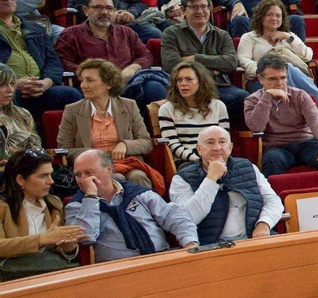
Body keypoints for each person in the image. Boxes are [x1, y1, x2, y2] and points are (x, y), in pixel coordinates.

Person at [65, 148, 197, 260]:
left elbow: (172, 215)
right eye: (78, 174)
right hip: (116, 270)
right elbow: (85, 237)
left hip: (160, 257)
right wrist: (91, 197)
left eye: (88, 173)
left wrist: (190, 243)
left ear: (109, 170)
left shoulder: (137, 192)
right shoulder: (76, 205)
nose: (82, 179)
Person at [168, 125, 282, 244]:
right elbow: (188, 219)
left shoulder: (248, 167)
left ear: (230, 147)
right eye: (210, 143)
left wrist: (264, 223)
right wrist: (211, 178)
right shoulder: (182, 179)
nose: (217, 148)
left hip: (254, 239)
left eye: (222, 142)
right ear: (199, 149)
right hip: (212, 246)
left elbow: (273, 201)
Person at [57, 59, 158, 190]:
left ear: (108, 84)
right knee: (116, 178)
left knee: (138, 176)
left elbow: (146, 142)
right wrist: (95, 155)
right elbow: (65, 150)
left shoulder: (129, 106)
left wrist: (126, 145)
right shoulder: (72, 110)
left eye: (90, 80)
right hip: (93, 168)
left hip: (127, 163)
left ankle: (147, 209)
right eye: (82, 80)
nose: (83, 85)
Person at [54, 0, 161, 111]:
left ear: (115, 11)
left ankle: (156, 129)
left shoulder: (126, 32)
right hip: (92, 86)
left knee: (155, 88)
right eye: (97, 7)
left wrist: (132, 68)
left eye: (109, 8)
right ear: (86, 11)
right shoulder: (70, 35)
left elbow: (146, 55)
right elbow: (64, 62)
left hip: (128, 83)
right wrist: (95, 76)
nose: (104, 12)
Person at [244, 55, 318, 177]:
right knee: (272, 160)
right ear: (260, 79)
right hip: (277, 147)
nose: (279, 83)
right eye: (273, 79)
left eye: (283, 78)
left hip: (306, 143)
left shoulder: (300, 95)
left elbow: (315, 121)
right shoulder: (252, 100)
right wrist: (267, 97)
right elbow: (257, 127)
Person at [159, 0, 244, 121]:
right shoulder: (171, 34)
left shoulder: (222, 35)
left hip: (218, 86)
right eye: (194, 7)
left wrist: (195, 58)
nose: (200, 11)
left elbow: (231, 62)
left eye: (204, 6)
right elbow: (171, 64)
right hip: (185, 87)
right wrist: (214, 69)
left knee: (242, 97)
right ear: (183, 10)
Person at [0, 147, 82, 275]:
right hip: (13, 275)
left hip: (49, 270)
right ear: (20, 180)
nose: (51, 181)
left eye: (50, 174)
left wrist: (69, 246)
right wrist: (40, 239)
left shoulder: (54, 204)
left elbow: (59, 249)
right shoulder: (2, 207)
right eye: (43, 176)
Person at [157, 62, 227, 167]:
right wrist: (200, 160)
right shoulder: (167, 109)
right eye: (179, 80)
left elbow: (224, 140)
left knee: (245, 168)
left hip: (216, 157)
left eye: (189, 79)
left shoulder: (218, 106)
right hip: (187, 161)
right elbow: (173, 145)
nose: (183, 84)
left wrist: (215, 159)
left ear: (201, 82)